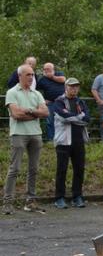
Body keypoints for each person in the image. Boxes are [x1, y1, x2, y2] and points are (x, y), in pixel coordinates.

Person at [2, 64, 49, 215]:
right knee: (14, 169)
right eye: (28, 74)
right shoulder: (12, 92)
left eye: (33, 75)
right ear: (20, 76)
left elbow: (46, 113)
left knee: (33, 169)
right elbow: (16, 114)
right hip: (18, 134)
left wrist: (28, 110)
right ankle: (7, 203)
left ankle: (30, 201)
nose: (31, 77)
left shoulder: (36, 93)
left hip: (35, 133)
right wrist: (35, 113)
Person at [53, 78, 90, 209]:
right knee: (61, 170)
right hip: (63, 141)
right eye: (71, 86)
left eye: (76, 87)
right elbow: (64, 117)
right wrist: (79, 116)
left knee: (79, 169)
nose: (74, 89)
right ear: (66, 87)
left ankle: (77, 196)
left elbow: (87, 119)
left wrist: (74, 117)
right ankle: (59, 198)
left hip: (79, 141)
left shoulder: (81, 102)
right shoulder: (59, 101)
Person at [37, 62, 66, 141]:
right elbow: (35, 90)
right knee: (50, 122)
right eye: (45, 69)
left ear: (53, 69)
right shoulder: (42, 79)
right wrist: (42, 100)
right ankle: (51, 140)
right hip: (50, 103)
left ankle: (62, 139)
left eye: (48, 69)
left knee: (63, 120)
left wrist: (52, 77)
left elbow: (63, 80)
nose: (46, 70)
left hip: (62, 103)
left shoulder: (59, 73)